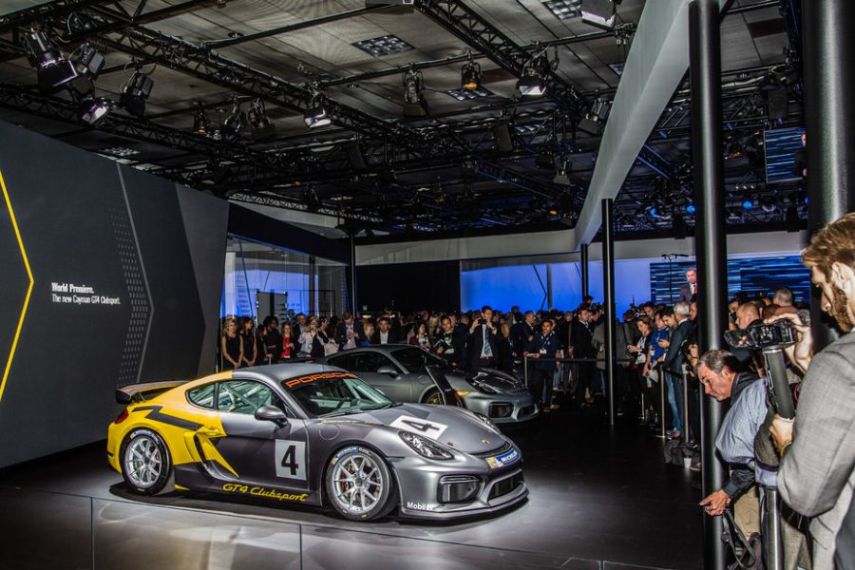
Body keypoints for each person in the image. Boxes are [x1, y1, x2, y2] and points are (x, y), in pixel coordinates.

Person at [769, 212, 855, 568]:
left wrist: (786, 441)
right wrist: (808, 365)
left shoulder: (841, 364)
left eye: (821, 287)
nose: (823, 304)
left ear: (843, 275)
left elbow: (806, 494)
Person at [697, 351, 771, 540]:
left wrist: (727, 491)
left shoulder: (749, 394)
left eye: (708, 381)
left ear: (725, 372)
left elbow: (759, 451)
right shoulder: (747, 390)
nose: (707, 390)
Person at [661, 302, 694, 439]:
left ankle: (686, 434)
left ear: (677, 314)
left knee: (681, 403)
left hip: (678, 370)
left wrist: (665, 364)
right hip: (684, 369)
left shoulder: (680, 329)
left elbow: (673, 350)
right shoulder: (690, 326)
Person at [525, 319, 561, 411]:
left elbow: (552, 351)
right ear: (541, 327)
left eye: (547, 326)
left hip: (549, 365)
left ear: (551, 327)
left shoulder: (554, 338)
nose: (545, 328)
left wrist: (540, 354)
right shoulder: (537, 336)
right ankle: (537, 404)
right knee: (537, 385)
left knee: (549, 386)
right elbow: (531, 346)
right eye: (544, 326)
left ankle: (547, 405)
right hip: (538, 365)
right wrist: (527, 350)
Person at [467, 305, 498, 371]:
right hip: (479, 359)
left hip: (491, 359)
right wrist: (472, 328)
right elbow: (467, 339)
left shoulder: (495, 325)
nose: (490, 316)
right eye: (487, 314)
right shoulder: (476, 325)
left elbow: (499, 340)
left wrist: (492, 328)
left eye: (491, 314)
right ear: (482, 314)